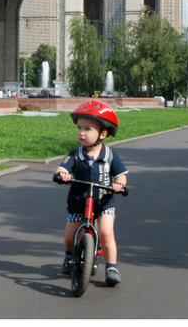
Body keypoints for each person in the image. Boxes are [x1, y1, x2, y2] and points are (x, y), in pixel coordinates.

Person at [55, 100, 128, 286]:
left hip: (104, 201)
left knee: (106, 233)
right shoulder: (75, 154)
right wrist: (62, 173)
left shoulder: (110, 155)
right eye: (79, 127)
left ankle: (111, 267)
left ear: (103, 134)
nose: (81, 132)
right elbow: (62, 167)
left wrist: (119, 184)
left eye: (88, 129)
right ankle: (69, 254)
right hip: (79, 201)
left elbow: (121, 175)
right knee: (70, 236)